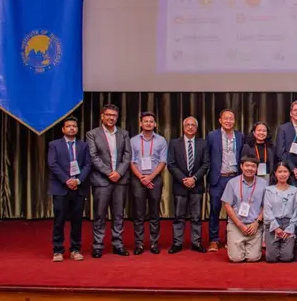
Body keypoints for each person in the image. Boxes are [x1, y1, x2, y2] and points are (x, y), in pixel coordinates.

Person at [86, 104, 132, 258]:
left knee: (118, 214)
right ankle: (98, 245)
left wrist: (118, 173)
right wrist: (109, 173)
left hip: (120, 180)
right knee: (100, 215)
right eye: (108, 115)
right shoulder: (92, 134)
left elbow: (127, 156)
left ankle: (118, 244)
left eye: (114, 115)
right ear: (102, 116)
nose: (111, 118)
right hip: (101, 181)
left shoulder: (124, 134)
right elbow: (93, 156)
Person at [48, 116, 91, 262]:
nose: (72, 128)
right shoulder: (54, 145)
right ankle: (58, 250)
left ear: (77, 129)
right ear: (63, 129)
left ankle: (75, 249)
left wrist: (78, 180)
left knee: (77, 221)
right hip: (61, 188)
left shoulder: (84, 146)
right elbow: (52, 164)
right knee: (59, 221)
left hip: (78, 188)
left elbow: (88, 165)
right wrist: (67, 180)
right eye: (68, 126)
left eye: (74, 126)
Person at [167, 116, 209, 253]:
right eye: (187, 125)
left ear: (196, 128)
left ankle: (196, 242)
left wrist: (194, 178)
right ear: (183, 127)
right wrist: (184, 179)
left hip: (197, 185)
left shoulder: (203, 143)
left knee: (196, 217)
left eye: (193, 125)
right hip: (180, 185)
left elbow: (206, 164)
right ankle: (177, 243)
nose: (190, 127)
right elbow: (171, 164)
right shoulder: (174, 143)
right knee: (179, 216)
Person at [129, 111, 168, 255]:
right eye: (145, 121)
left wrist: (150, 177)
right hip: (138, 178)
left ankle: (154, 243)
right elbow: (131, 161)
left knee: (154, 213)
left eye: (151, 121)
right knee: (139, 213)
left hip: (155, 178)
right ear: (141, 123)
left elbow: (163, 161)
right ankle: (139, 244)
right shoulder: (133, 140)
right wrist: (142, 177)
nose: (148, 123)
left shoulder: (161, 140)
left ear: (155, 124)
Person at [206, 108, 244, 252]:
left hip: (234, 178)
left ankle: (231, 238)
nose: (228, 121)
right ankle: (214, 240)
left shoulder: (240, 136)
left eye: (231, 118)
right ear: (220, 120)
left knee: (234, 211)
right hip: (218, 178)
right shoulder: (212, 136)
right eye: (226, 118)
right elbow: (207, 156)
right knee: (215, 209)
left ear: (235, 121)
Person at [221, 156, 268, 262]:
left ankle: (249, 245)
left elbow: (266, 206)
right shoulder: (232, 183)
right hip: (236, 225)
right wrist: (239, 225)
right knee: (236, 258)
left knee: (253, 258)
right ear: (241, 166)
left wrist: (257, 222)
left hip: (254, 226)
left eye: (253, 166)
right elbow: (227, 205)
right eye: (247, 165)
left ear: (257, 168)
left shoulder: (263, 183)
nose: (250, 168)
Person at [263, 162, 297, 263]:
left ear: (289, 173)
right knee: (271, 258)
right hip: (273, 224)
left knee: (286, 258)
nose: (282, 174)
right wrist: (276, 228)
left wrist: (290, 228)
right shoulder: (269, 190)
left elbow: (296, 210)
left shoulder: (295, 190)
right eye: (280, 172)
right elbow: (267, 210)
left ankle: (291, 247)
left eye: (285, 171)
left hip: (289, 224)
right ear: (275, 173)